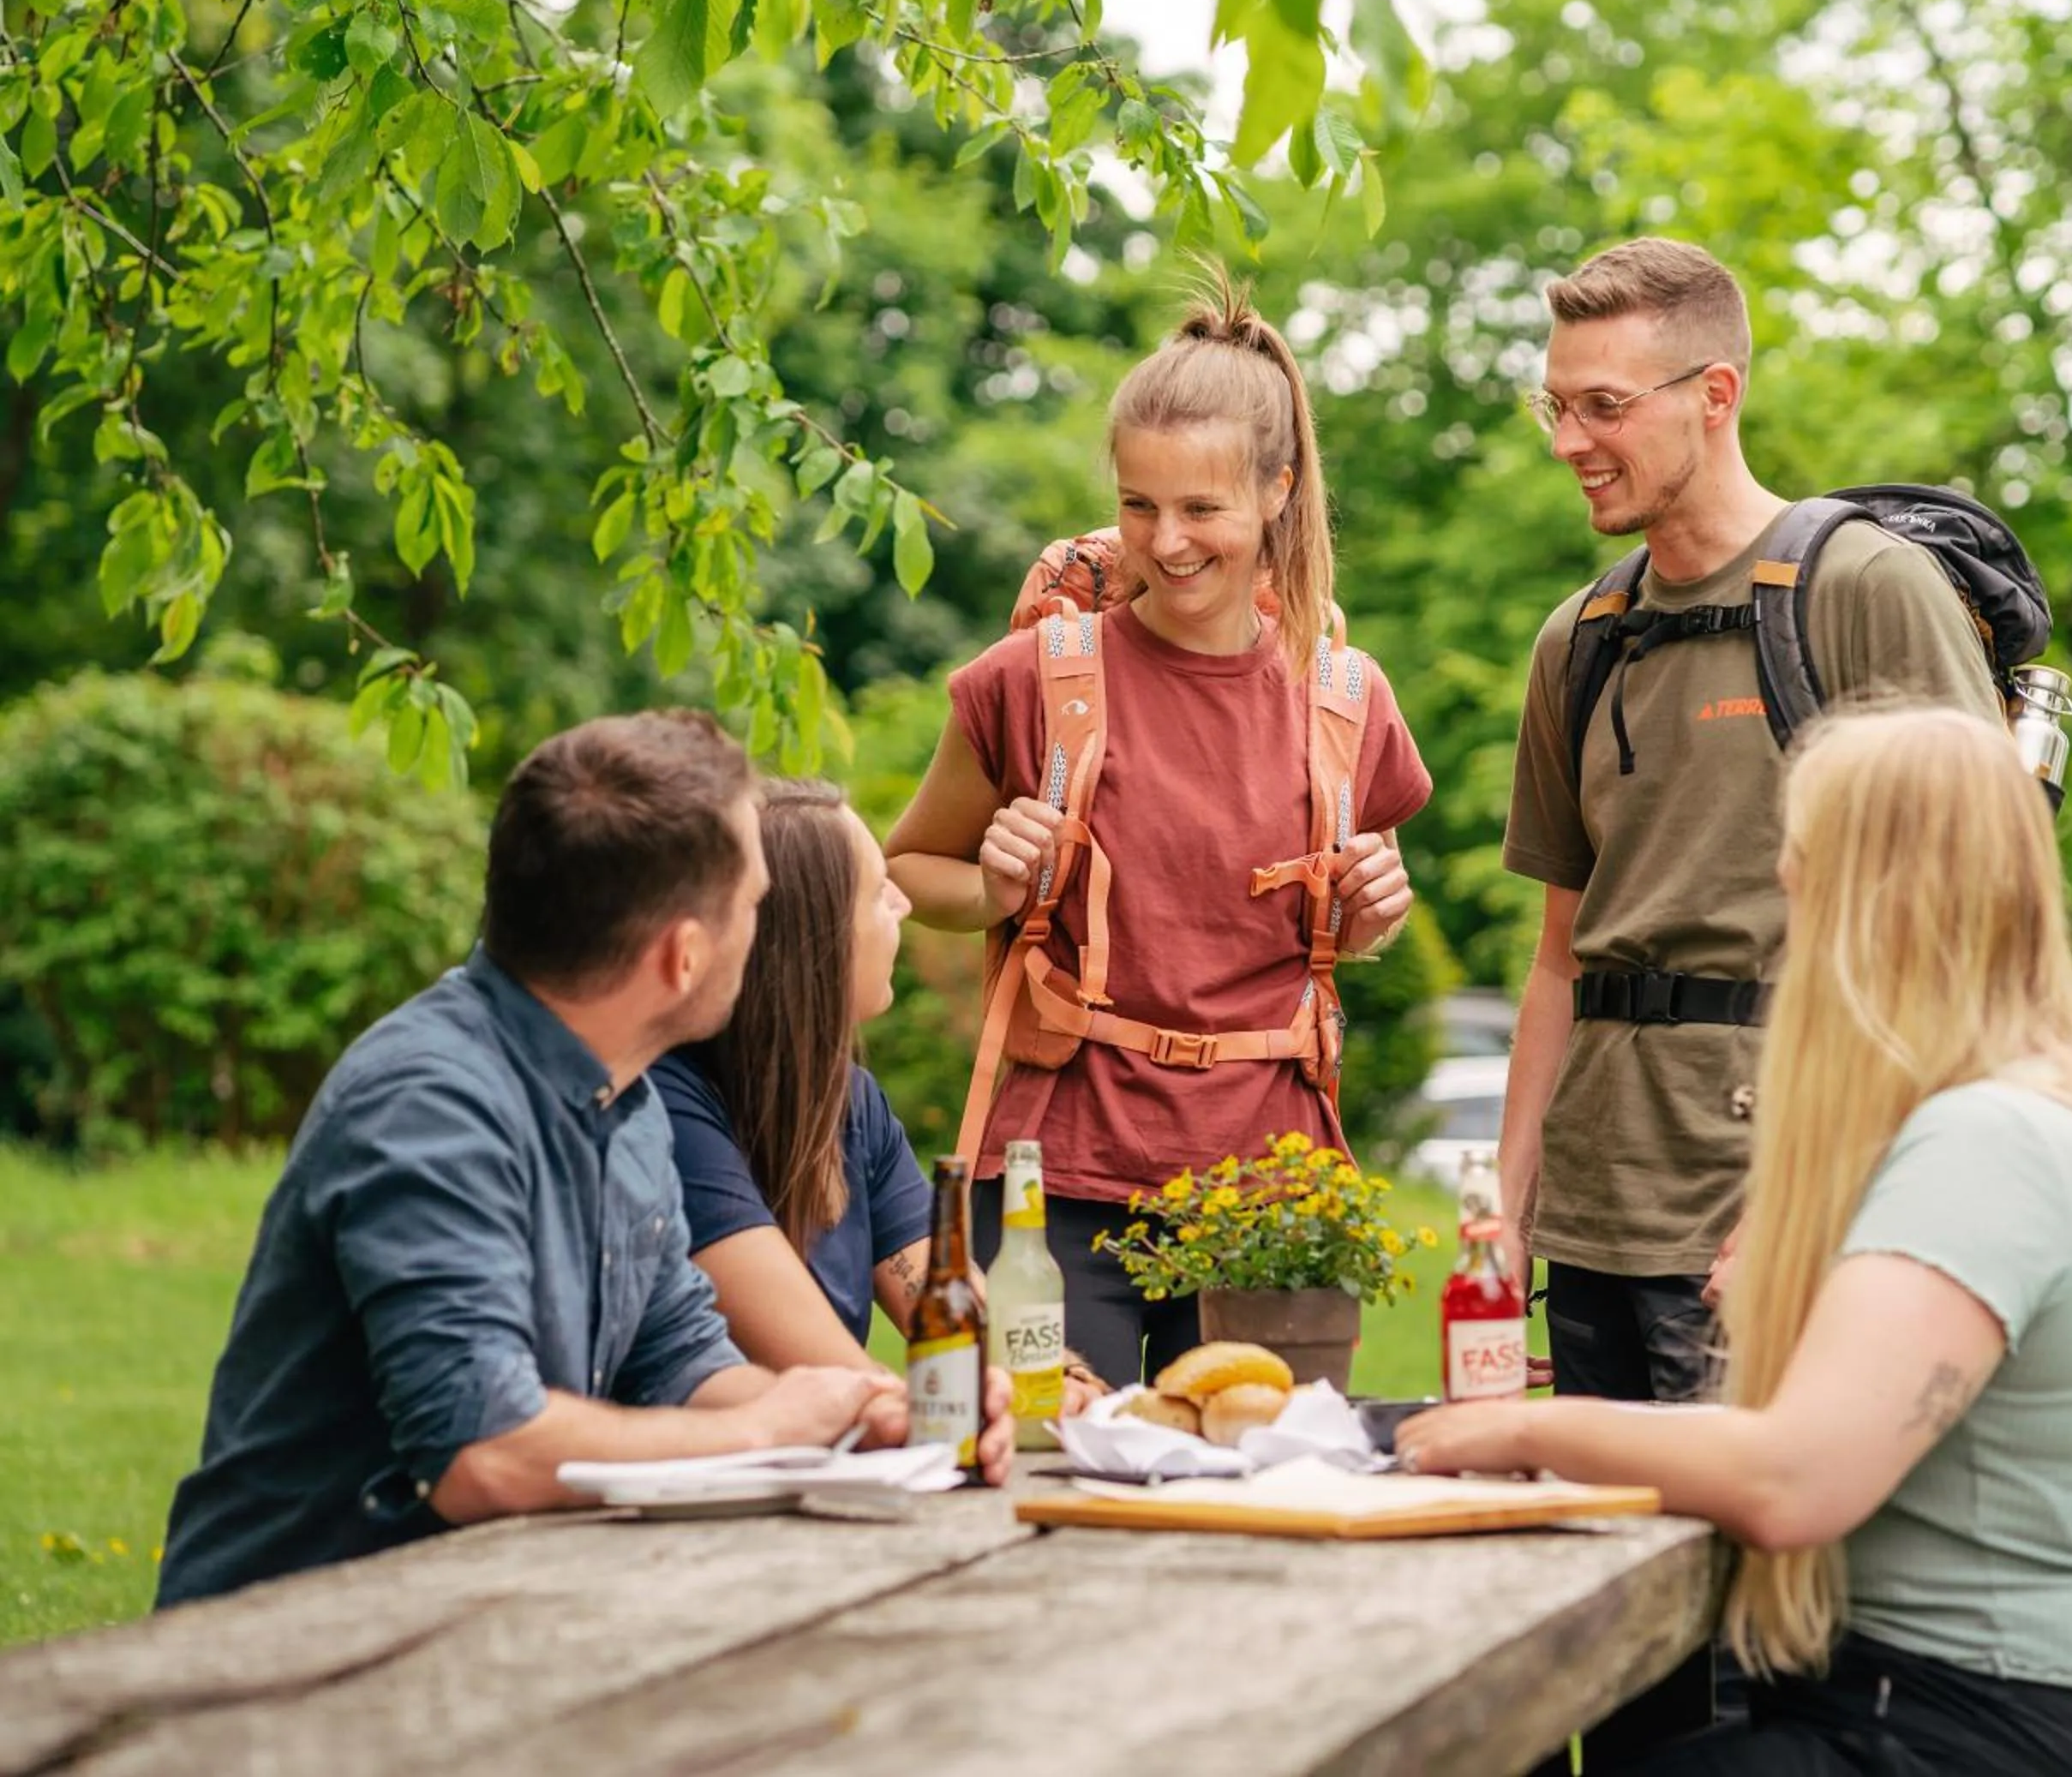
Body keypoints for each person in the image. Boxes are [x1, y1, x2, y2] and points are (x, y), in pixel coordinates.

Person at [1402, 706, 2072, 1777]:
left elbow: (1794, 1481)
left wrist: (1504, 1435)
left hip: (1983, 1725)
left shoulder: (1998, 1138)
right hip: (1951, 1707)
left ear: (1879, 904)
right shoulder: (2027, 1108)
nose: (1784, 908)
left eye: (1803, 877)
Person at [159, 714, 900, 1608]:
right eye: (754, 903)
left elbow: (679, 1361)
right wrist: (765, 1429)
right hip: (285, 1641)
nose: (765, 927)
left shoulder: (624, 1099)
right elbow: (486, 1452)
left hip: (483, 1611)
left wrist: (849, 1415)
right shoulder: (430, 1106)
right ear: (684, 954)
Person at [886, 279, 1434, 1387]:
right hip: (1060, 1176)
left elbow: (1340, 926)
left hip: (1271, 1187)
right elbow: (909, 868)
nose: (1165, 543)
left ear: (1279, 491)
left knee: (1264, 1507)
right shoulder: (1037, 679)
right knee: (1042, 1481)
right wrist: (992, 888)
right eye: (1140, 506)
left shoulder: (1346, 699)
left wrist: (1374, 917)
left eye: (1201, 510)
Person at [1499, 236, 2004, 1407]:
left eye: (1605, 407)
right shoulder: (1576, 640)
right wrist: (1507, 1208)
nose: (1571, 441)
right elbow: (1557, 959)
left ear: (1715, 396)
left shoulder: (1865, 591)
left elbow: (1971, 934)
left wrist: (1814, 1197)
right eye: (1557, 406)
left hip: (1770, 1207)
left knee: (1758, 1576)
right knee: (1597, 1562)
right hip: (1594, 1211)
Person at [651, 777, 1099, 1431]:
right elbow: (834, 1375)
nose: (903, 902)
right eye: (874, 893)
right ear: (810, 942)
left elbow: (949, 1305)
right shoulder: (672, 1103)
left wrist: (1063, 1380)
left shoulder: (851, 1102)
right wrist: (995, 1399)